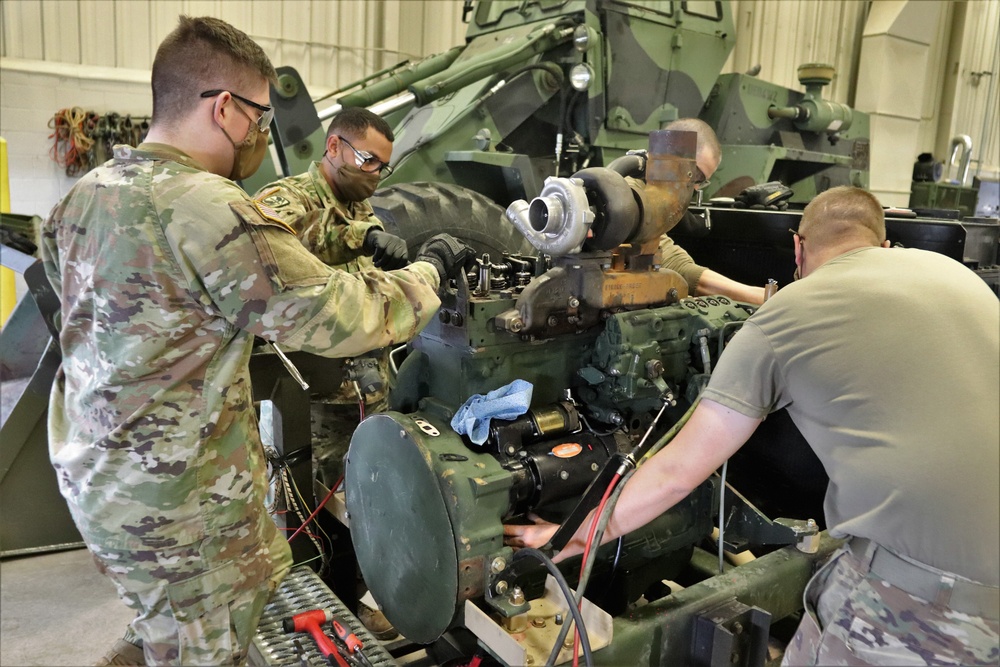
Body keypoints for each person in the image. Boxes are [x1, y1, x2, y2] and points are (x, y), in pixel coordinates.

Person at [40, 16, 469, 666]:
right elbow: (346, 316)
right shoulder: (208, 207)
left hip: (101, 484)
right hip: (180, 506)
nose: (263, 134)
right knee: (206, 644)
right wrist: (430, 269)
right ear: (223, 109)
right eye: (260, 118)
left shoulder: (82, 197)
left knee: (164, 621)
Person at [505, 186, 999, 666]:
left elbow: (677, 473)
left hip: (930, 599)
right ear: (884, 243)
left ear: (798, 248)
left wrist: (569, 537)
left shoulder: (787, 317)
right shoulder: (957, 275)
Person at [252, 108, 407, 639]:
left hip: (366, 392)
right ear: (335, 147)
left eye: (384, 167)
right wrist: (361, 237)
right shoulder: (286, 200)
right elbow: (273, 250)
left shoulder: (361, 203)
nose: (374, 174)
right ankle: (315, 606)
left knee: (370, 504)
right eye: (368, 160)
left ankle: (358, 600)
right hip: (314, 403)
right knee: (312, 515)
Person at [658, 118, 767, 305]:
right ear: (668, 156)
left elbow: (673, 259)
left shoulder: (655, 208)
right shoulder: (623, 197)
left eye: (702, 181)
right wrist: (761, 297)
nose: (695, 188)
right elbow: (676, 266)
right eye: (696, 175)